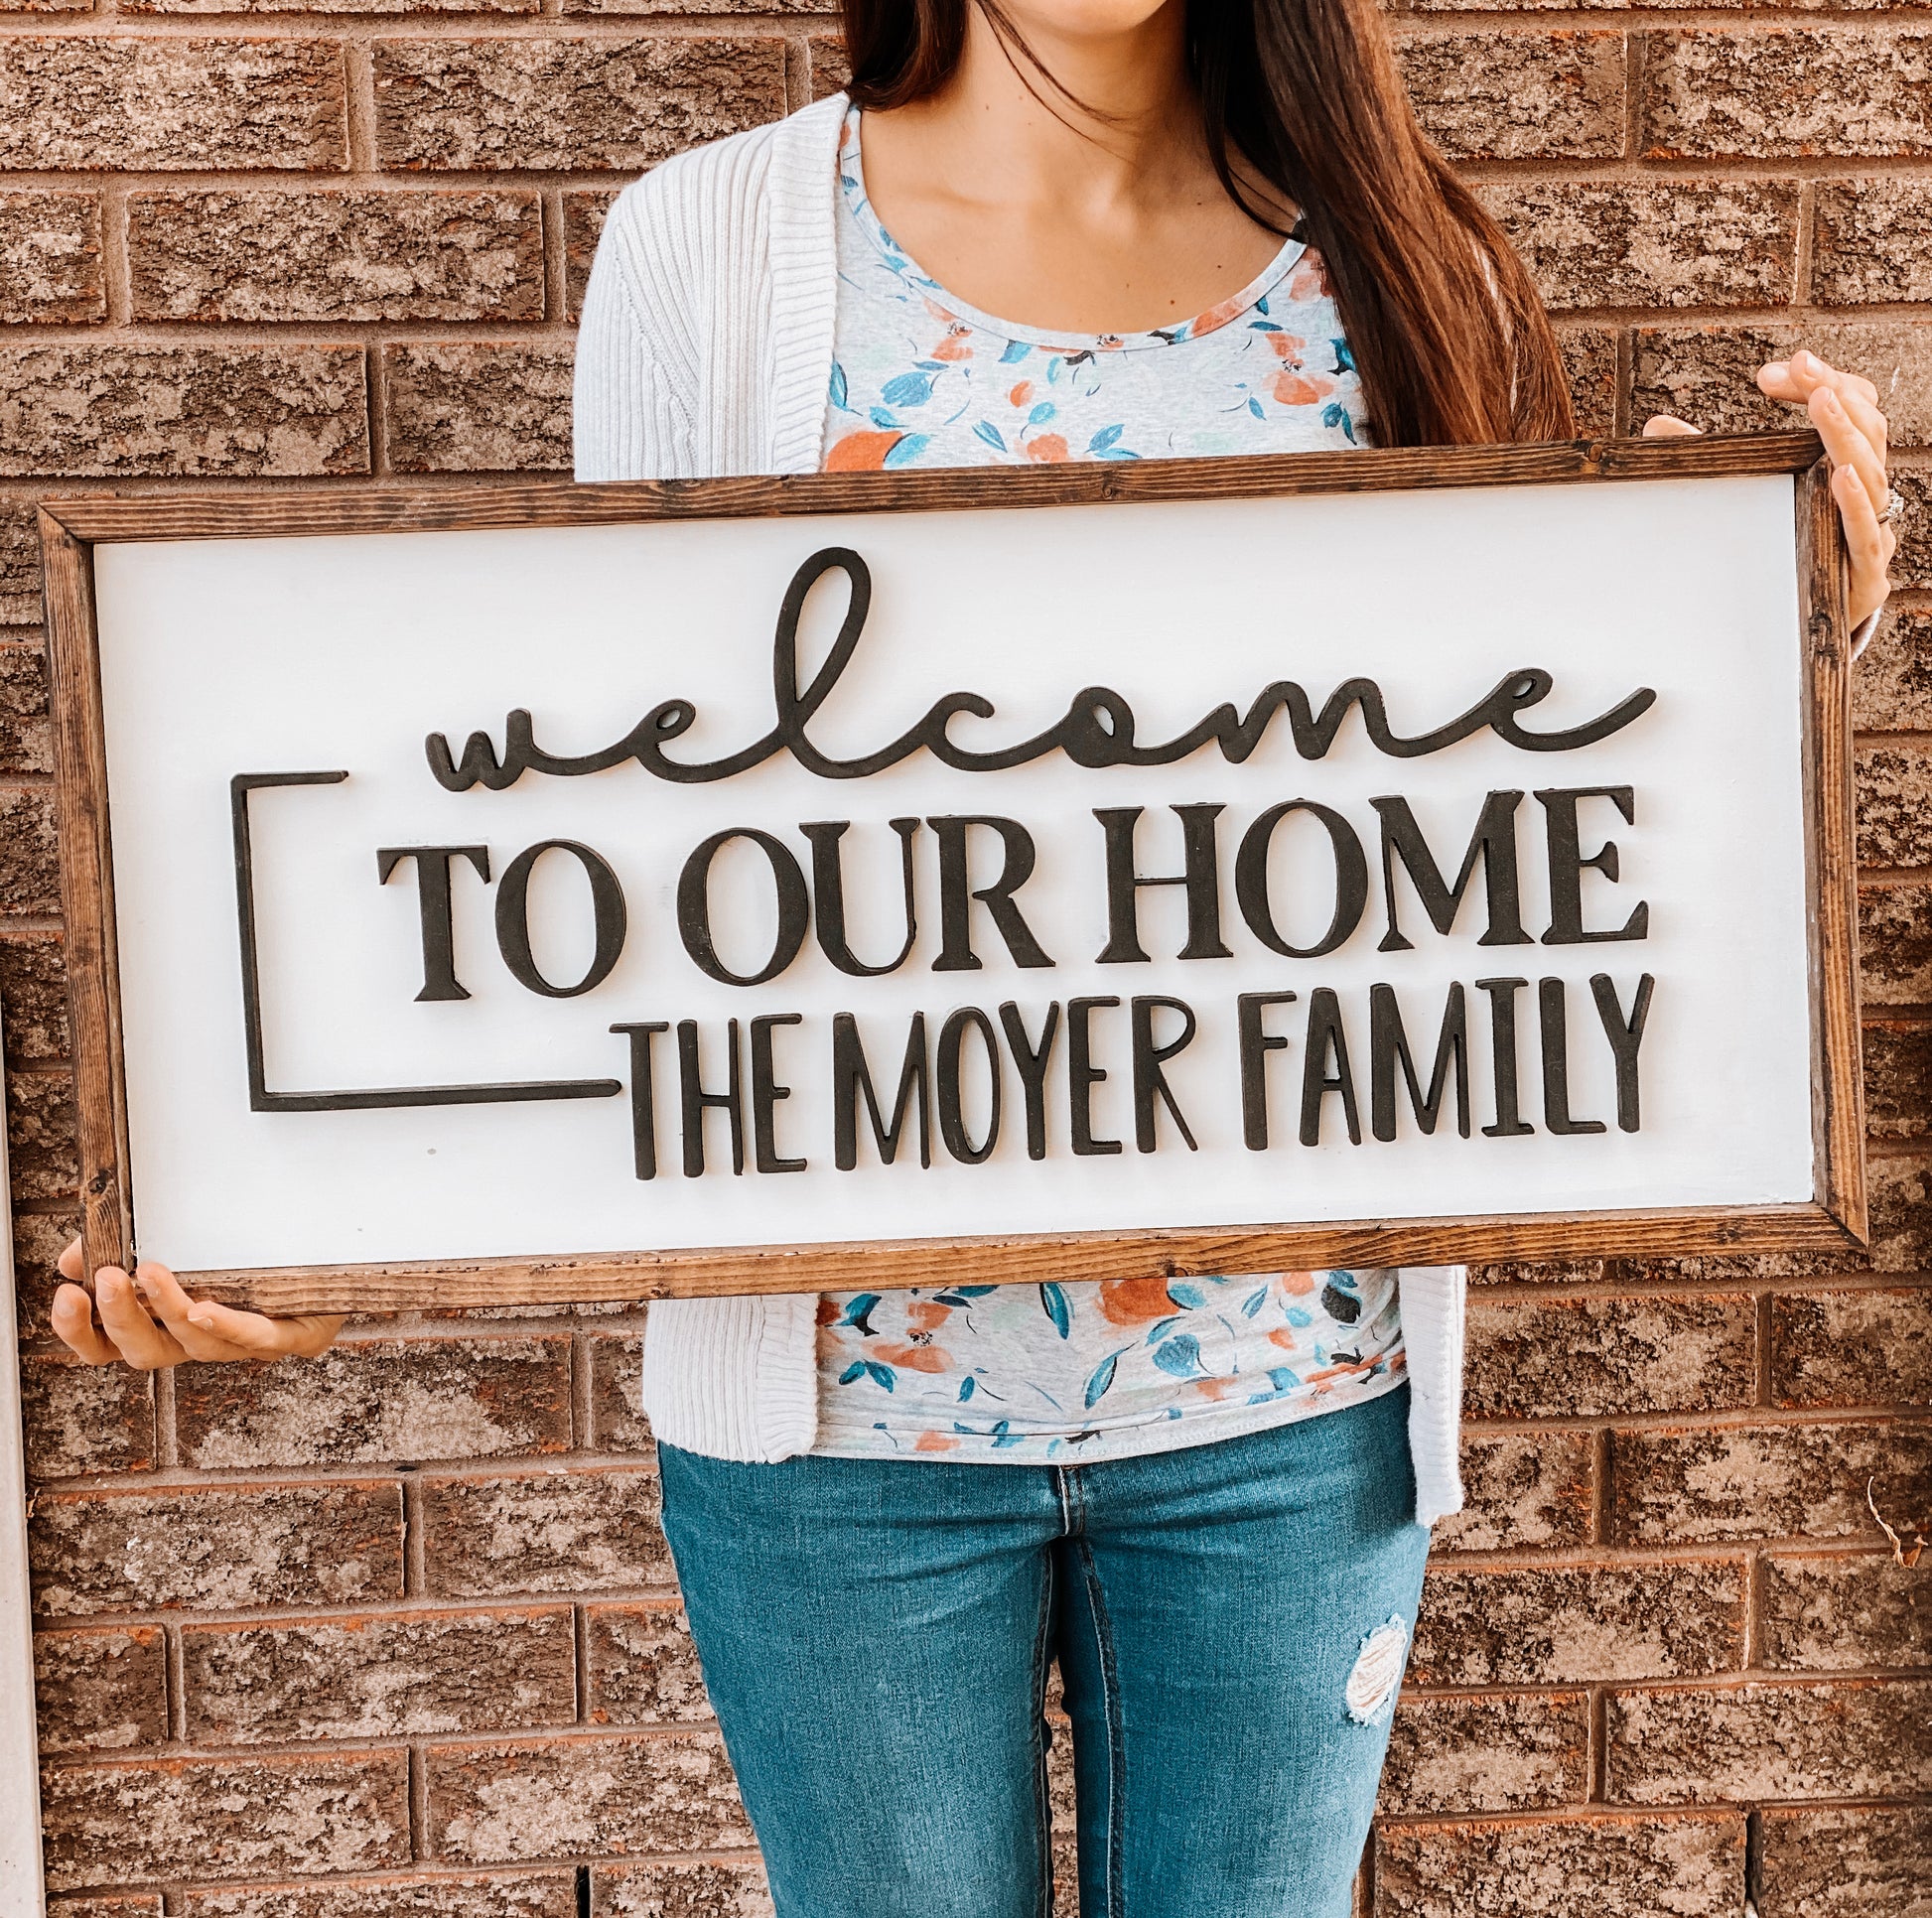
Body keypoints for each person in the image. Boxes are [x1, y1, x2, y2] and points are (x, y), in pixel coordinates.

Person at [52, 0, 1894, 1911]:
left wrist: (1765, 611)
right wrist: (327, 1218)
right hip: (836, 1439)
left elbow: (1521, 785)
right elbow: (594, 841)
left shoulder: (1411, 258)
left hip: (1290, 1404)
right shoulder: (705, 245)